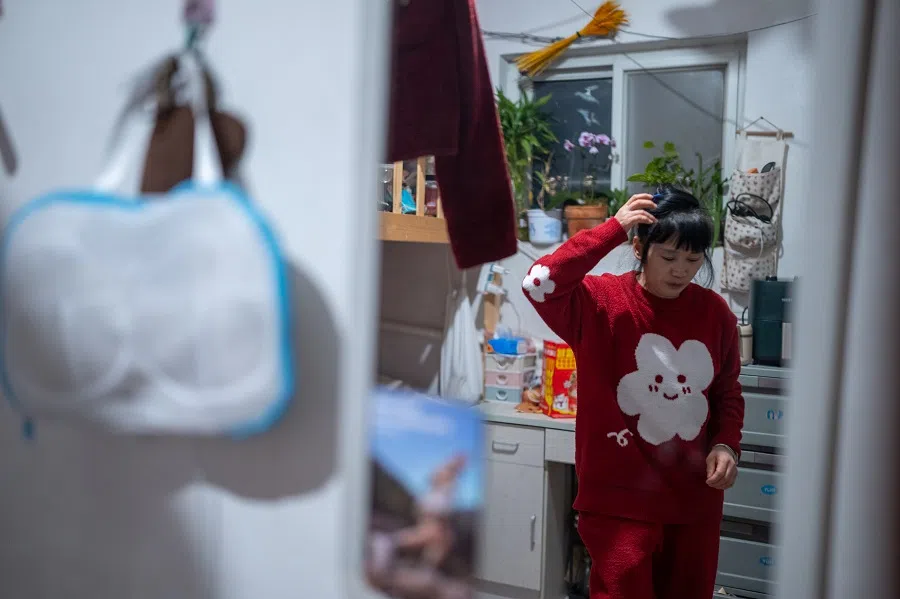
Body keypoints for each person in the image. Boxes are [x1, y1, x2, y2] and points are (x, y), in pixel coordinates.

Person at [521, 187, 744, 599]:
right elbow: (538, 282)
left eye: (693, 260)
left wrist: (726, 444)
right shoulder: (600, 302)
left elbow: (727, 392)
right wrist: (612, 229)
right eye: (669, 257)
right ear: (639, 248)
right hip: (617, 503)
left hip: (693, 502)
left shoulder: (716, 314)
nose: (681, 271)